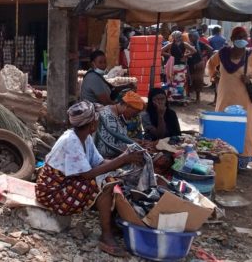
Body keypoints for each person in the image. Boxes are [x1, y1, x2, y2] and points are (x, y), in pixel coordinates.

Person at [35, 101, 144, 258]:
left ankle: (111, 224)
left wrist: (124, 159)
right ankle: (106, 236)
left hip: (65, 185)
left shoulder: (84, 138)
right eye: (97, 119)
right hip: (52, 193)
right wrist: (123, 159)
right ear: (92, 123)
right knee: (105, 183)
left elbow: (99, 162)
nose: (98, 121)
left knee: (114, 177)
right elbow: (87, 175)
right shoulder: (71, 140)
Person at [207, 27, 252, 169]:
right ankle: (222, 156)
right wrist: (214, 75)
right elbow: (211, 64)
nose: (242, 39)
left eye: (244, 36)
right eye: (238, 37)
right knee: (224, 126)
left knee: (245, 128)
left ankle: (242, 159)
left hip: (245, 101)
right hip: (225, 98)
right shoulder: (223, 53)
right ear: (232, 39)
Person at [95, 91, 146, 159]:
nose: (132, 117)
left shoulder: (118, 115)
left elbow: (117, 139)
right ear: (127, 106)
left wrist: (131, 140)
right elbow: (105, 150)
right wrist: (131, 146)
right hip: (105, 160)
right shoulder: (107, 117)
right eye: (134, 114)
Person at [162, 31, 196, 99]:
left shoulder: (170, 44)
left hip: (173, 64)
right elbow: (194, 51)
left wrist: (169, 55)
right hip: (181, 65)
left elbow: (161, 51)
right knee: (180, 82)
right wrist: (185, 56)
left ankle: (172, 97)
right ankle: (179, 97)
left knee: (172, 81)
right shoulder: (184, 44)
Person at [188, 30, 213, 103]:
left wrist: (206, 56)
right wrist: (204, 56)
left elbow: (210, 49)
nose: (189, 37)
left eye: (190, 36)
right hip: (198, 63)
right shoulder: (199, 43)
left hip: (194, 64)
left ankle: (194, 98)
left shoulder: (191, 44)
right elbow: (210, 49)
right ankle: (196, 98)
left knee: (193, 80)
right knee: (197, 80)